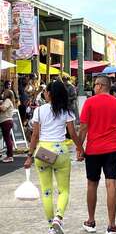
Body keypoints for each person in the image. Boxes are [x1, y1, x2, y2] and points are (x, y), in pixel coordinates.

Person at [23, 80, 85, 234]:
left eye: (45, 91)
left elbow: (35, 135)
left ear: (49, 94)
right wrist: (80, 148)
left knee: (46, 191)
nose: (44, 93)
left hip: (43, 150)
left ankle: (51, 226)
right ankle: (59, 217)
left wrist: (29, 156)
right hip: (60, 152)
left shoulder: (39, 111)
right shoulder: (67, 111)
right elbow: (72, 133)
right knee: (63, 190)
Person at [79, 76, 116, 234]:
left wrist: (79, 148)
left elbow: (83, 128)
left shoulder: (89, 102)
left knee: (92, 184)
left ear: (101, 86)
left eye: (95, 84)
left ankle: (91, 221)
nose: (94, 87)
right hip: (113, 149)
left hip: (93, 149)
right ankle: (112, 225)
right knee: (112, 185)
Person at [0, 90, 15, 163]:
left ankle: (10, 156)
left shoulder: (7, 100)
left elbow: (3, 108)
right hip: (6, 121)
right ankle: (9, 155)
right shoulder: (8, 101)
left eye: (4, 93)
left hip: (6, 121)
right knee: (7, 138)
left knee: (7, 139)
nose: (2, 94)